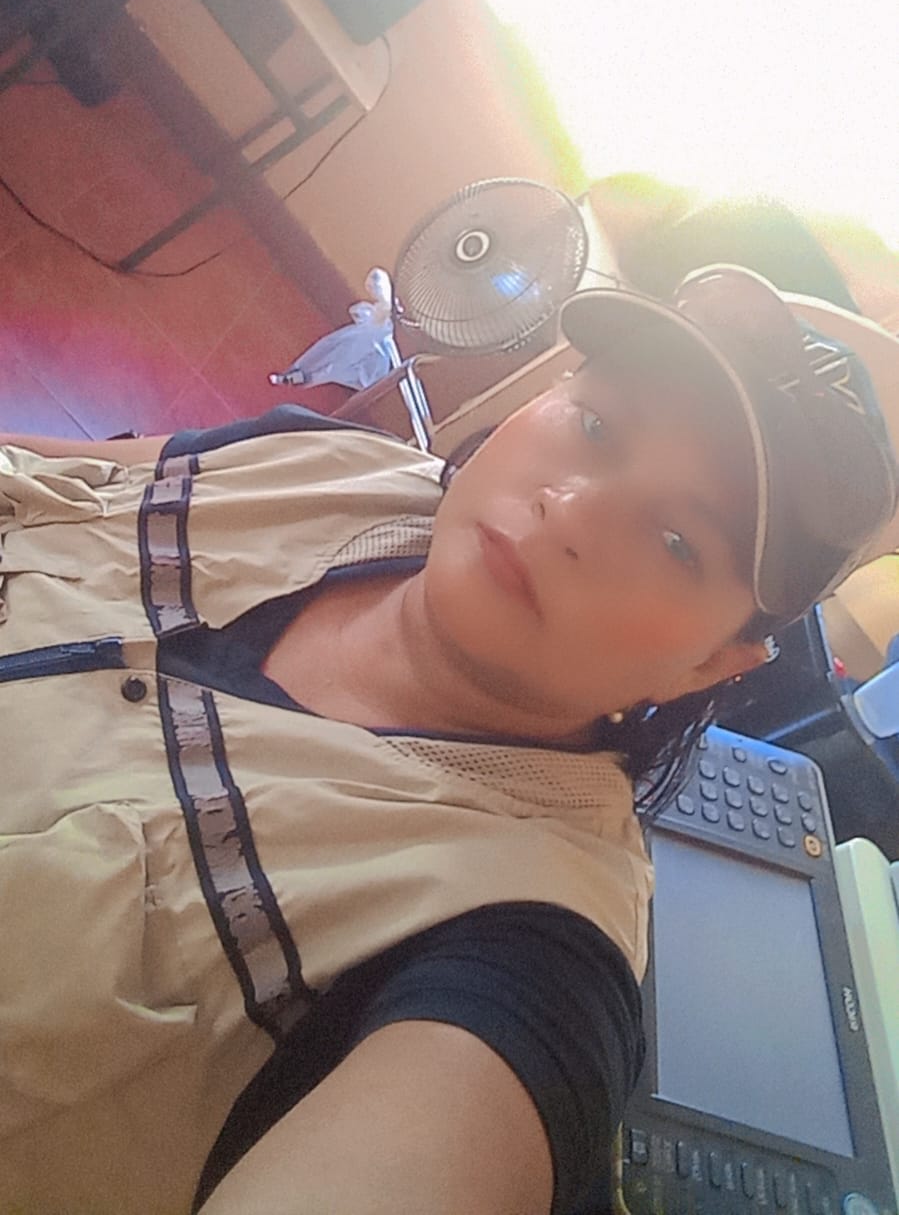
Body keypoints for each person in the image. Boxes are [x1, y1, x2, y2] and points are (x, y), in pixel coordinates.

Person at [1, 265, 898, 1215]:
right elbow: (46, 472)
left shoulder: (519, 951)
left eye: (678, 542)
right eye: (597, 427)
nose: (572, 509)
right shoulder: (338, 464)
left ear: (712, 663)